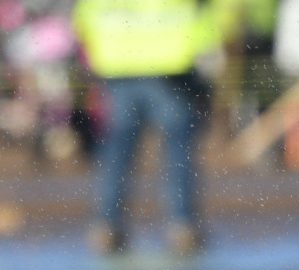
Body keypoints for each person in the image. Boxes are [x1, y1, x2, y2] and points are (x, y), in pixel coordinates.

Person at [73, 0, 214, 253]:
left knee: (117, 152)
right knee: (177, 149)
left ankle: (107, 226)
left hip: (118, 67)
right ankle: (182, 225)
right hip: (169, 69)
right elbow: (202, 17)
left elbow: (83, 17)